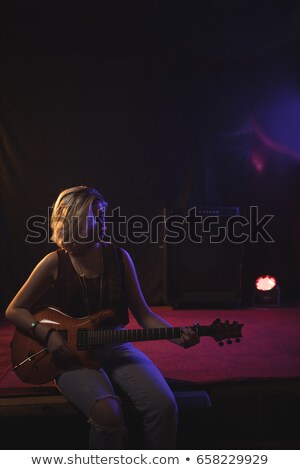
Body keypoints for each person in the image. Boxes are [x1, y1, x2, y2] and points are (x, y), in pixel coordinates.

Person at [5, 185, 200, 450]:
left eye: (103, 215)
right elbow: (14, 309)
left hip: (115, 347)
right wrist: (47, 335)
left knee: (164, 406)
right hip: (71, 357)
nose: (103, 222)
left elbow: (144, 314)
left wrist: (178, 336)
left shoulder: (120, 257)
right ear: (74, 220)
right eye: (95, 216)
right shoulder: (54, 262)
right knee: (109, 413)